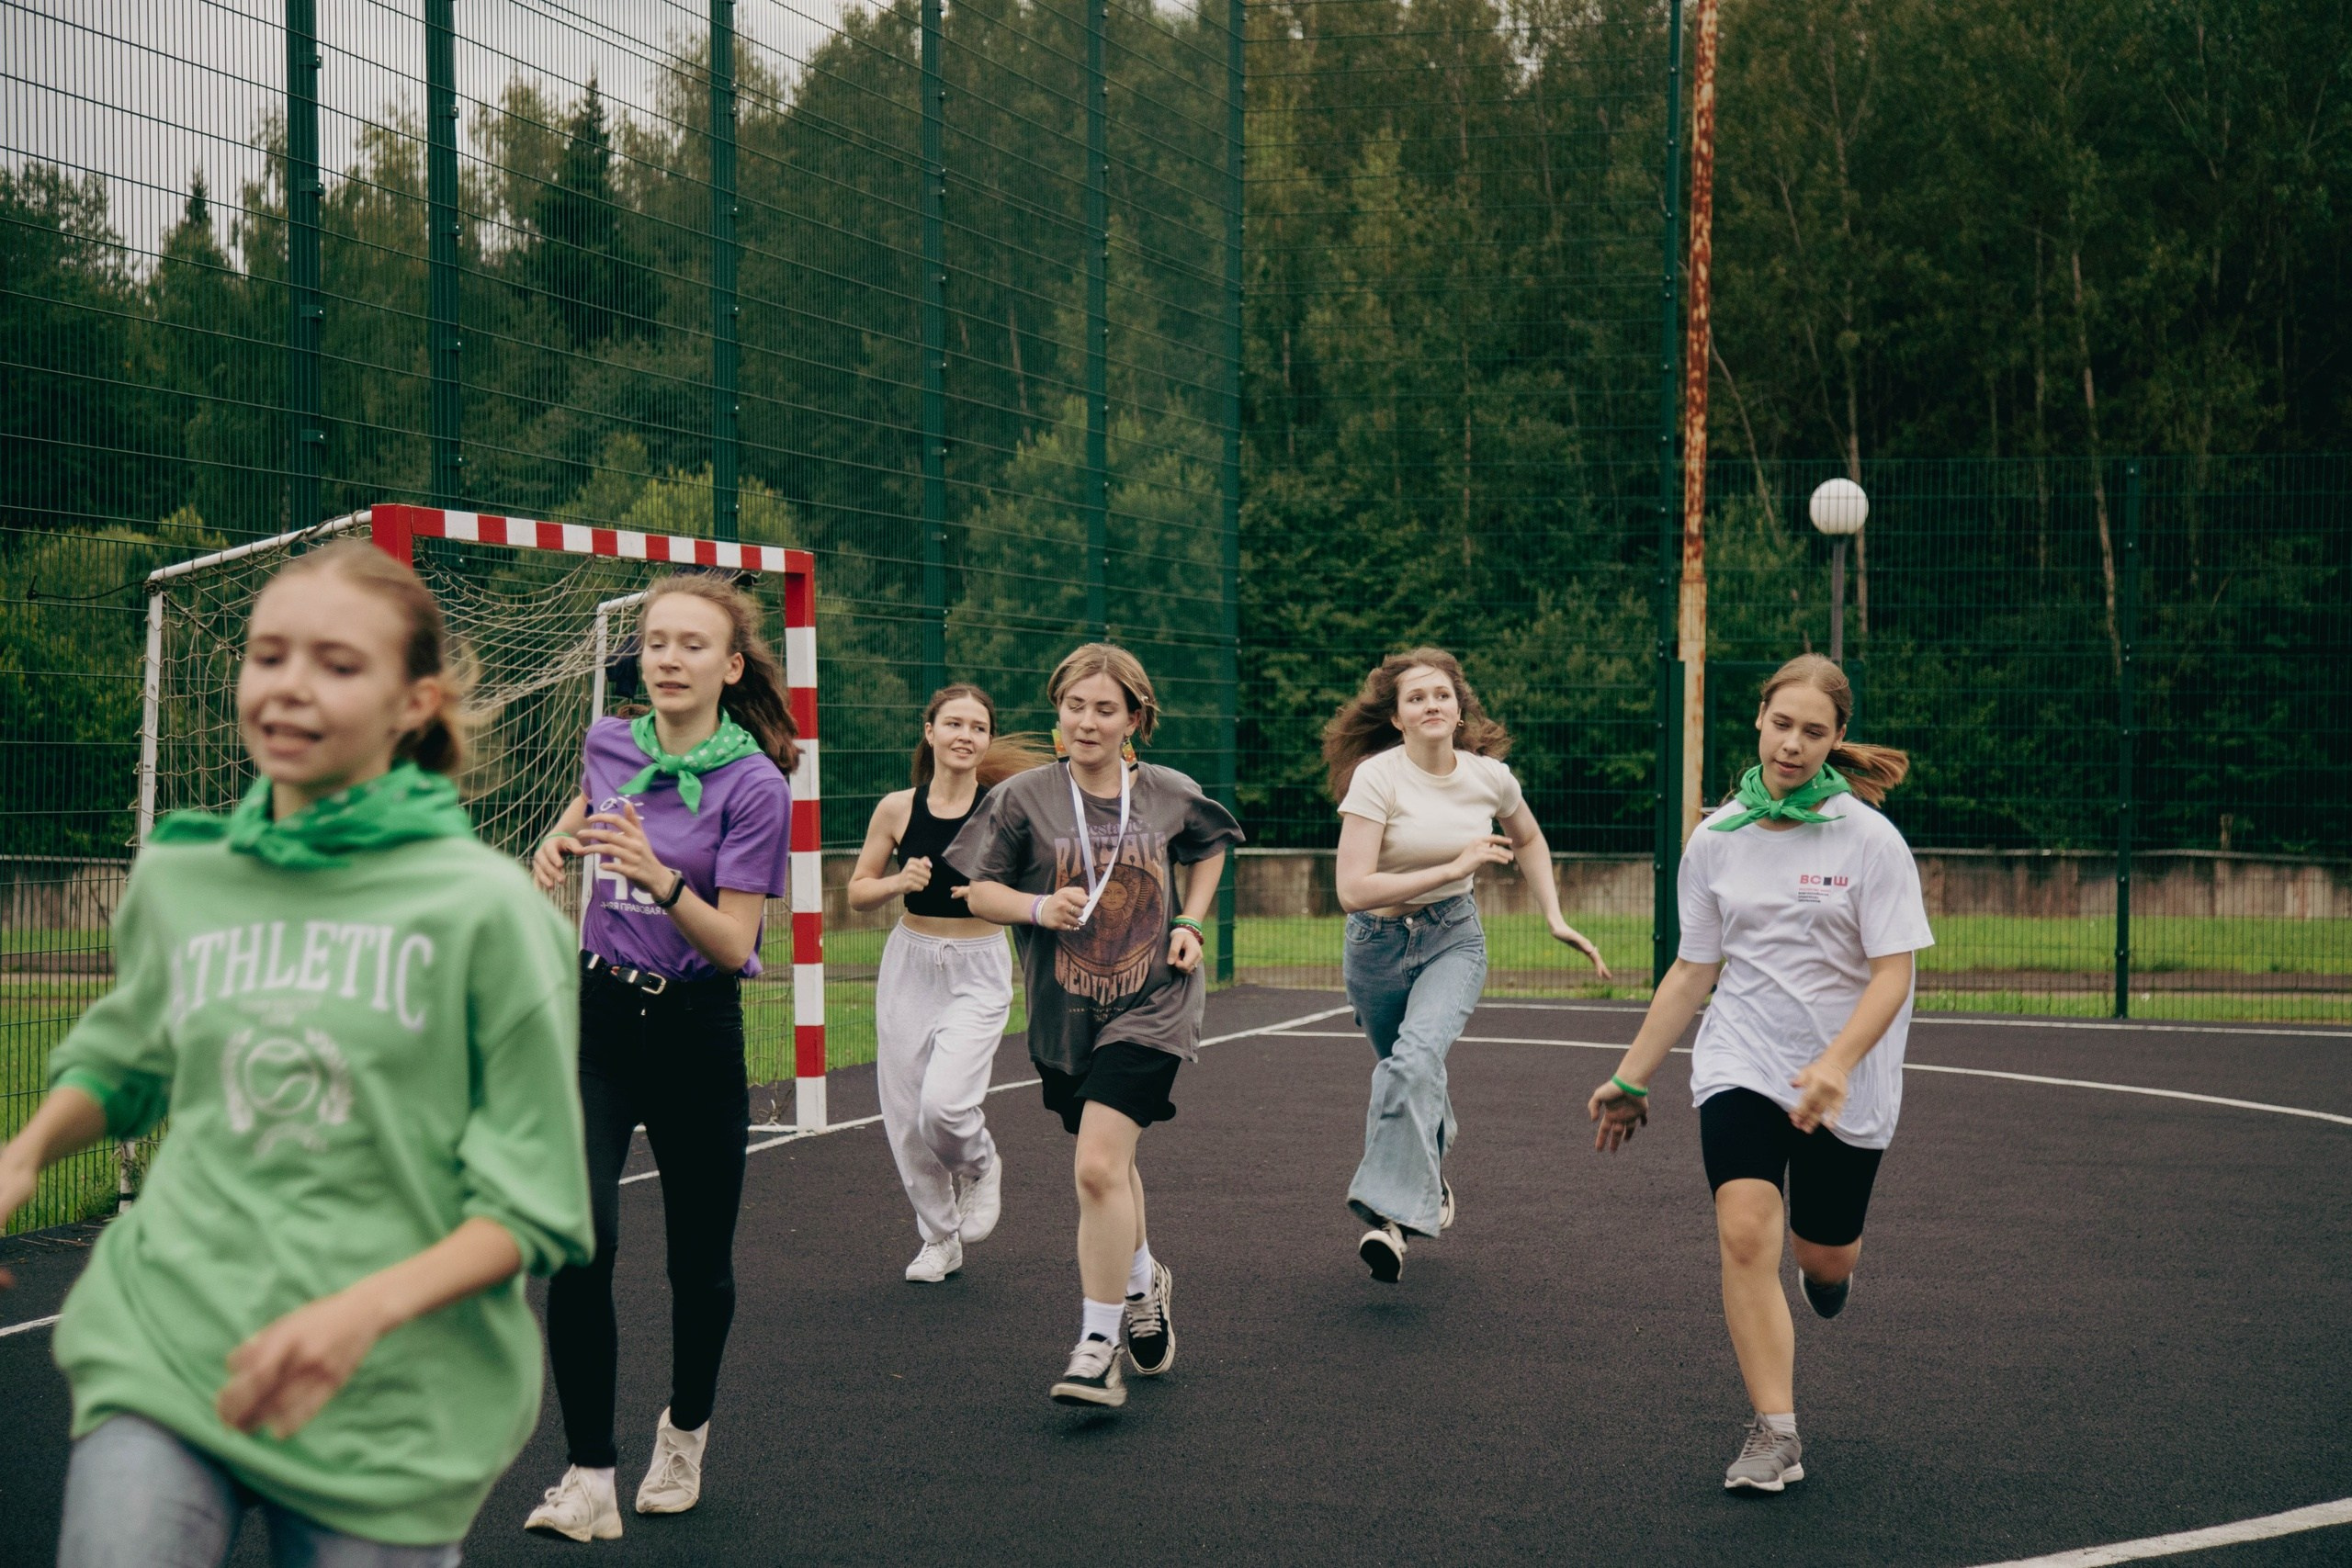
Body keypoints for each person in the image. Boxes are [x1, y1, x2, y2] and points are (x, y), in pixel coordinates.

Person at [0, 540, 592, 1566]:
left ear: (416, 703)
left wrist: (358, 1315)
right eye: (268, 655)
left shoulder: (490, 916)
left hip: (393, 1408)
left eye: (338, 663)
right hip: (173, 1349)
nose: (289, 688)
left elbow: (532, 1206)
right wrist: (20, 1157)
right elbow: (128, 1058)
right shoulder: (186, 874)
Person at [1588, 654, 1931, 1494]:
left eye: (1814, 731)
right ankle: (1776, 1431)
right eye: (1782, 723)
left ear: (1836, 739)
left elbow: (1894, 973)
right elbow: (1692, 969)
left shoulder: (1869, 840)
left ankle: (1829, 1275)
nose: (1793, 743)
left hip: (1843, 1076)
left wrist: (1838, 1064)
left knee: (1823, 1257)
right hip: (1741, 1055)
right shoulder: (1717, 837)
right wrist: (1632, 1079)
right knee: (1745, 1229)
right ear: (1759, 719)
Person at [523, 572, 794, 1540]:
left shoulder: (757, 786)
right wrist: (558, 845)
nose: (668, 658)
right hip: (599, 1019)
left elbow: (737, 948)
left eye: (690, 645)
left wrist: (659, 877)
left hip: (695, 1029)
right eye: (655, 641)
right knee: (580, 1242)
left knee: (699, 1267)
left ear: (729, 667)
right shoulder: (610, 741)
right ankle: (589, 1474)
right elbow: (587, 801)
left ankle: (684, 1428)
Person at [949, 644, 1243, 1409]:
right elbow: (977, 892)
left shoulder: (1169, 792)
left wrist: (1191, 919)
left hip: (1156, 1004)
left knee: (1094, 1166)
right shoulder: (1022, 799)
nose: (1087, 720)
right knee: (1110, 1165)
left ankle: (1096, 1345)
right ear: (1057, 714)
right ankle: (1144, 1283)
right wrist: (1037, 907)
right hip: (1066, 1012)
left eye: (1105, 708)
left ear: (1133, 719)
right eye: (1075, 705)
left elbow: (1213, 845)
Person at [1323, 648, 1611, 1281]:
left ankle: (1390, 1220)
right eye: (1415, 697)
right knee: (1406, 1069)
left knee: (1415, 1059)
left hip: (1452, 938)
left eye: (1441, 694)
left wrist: (1555, 916)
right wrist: (1453, 867)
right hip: (1374, 942)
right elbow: (1351, 889)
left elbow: (1528, 836)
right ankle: (1430, 1155)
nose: (1431, 703)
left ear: (1458, 709)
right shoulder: (1377, 777)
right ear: (1397, 718)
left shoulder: (1490, 777)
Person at [847, 684, 1047, 1282]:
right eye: (953, 723)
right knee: (907, 1118)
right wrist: (896, 881)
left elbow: (1032, 888)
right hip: (910, 963)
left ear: (987, 739)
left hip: (978, 965)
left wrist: (997, 897)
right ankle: (940, 1238)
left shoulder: (1007, 808)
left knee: (946, 1106)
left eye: (978, 726)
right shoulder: (897, 808)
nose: (966, 734)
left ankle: (981, 1165)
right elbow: (857, 891)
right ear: (929, 731)